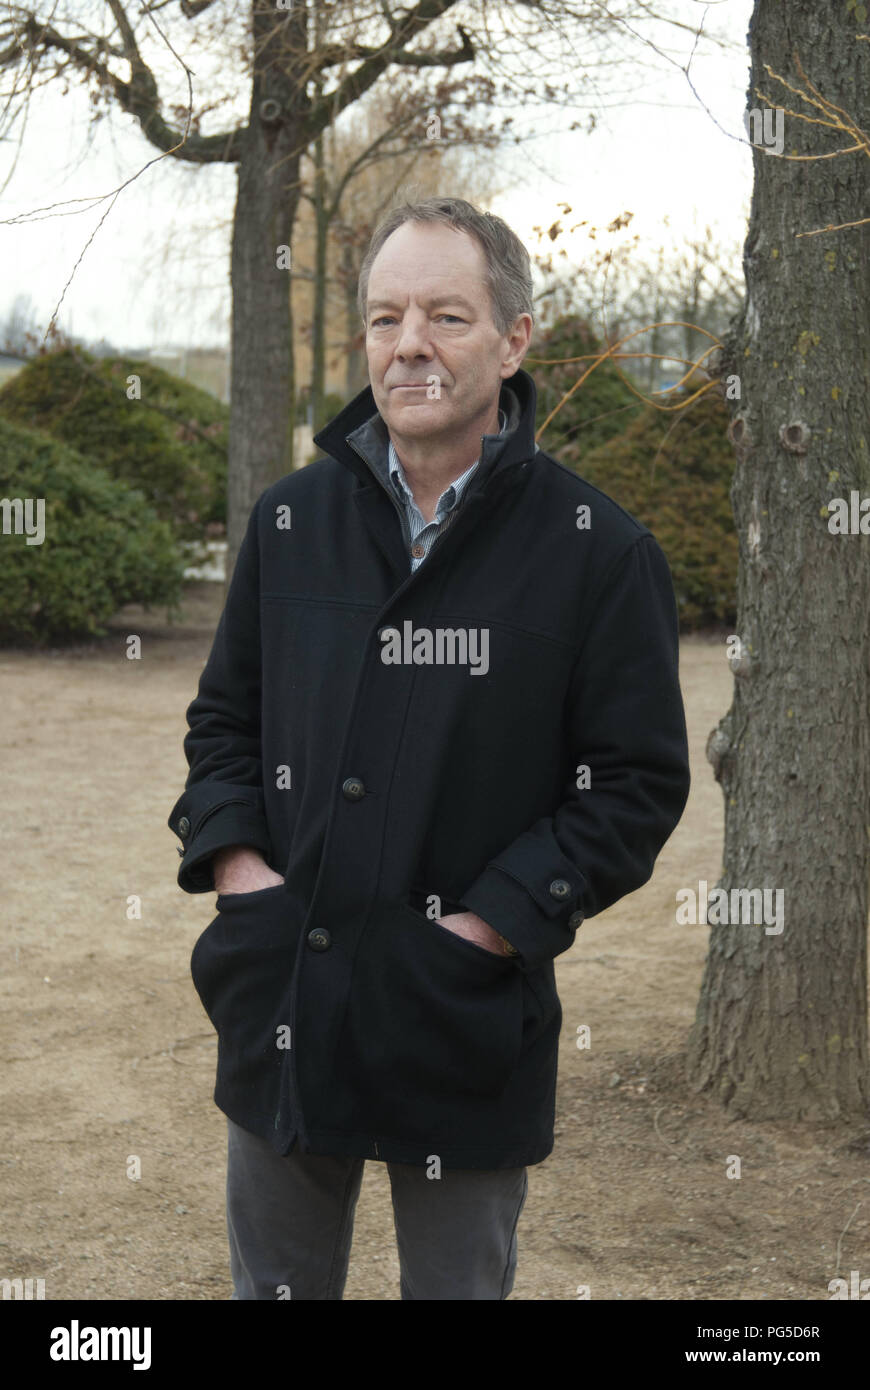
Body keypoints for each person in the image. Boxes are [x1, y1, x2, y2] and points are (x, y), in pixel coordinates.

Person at [168, 196, 691, 1301]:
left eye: (446, 316)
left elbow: (635, 783)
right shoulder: (288, 523)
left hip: (460, 1013)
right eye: (385, 317)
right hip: (286, 1002)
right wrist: (242, 877)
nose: (409, 345)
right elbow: (222, 723)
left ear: (513, 339)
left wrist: (489, 926)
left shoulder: (599, 555)